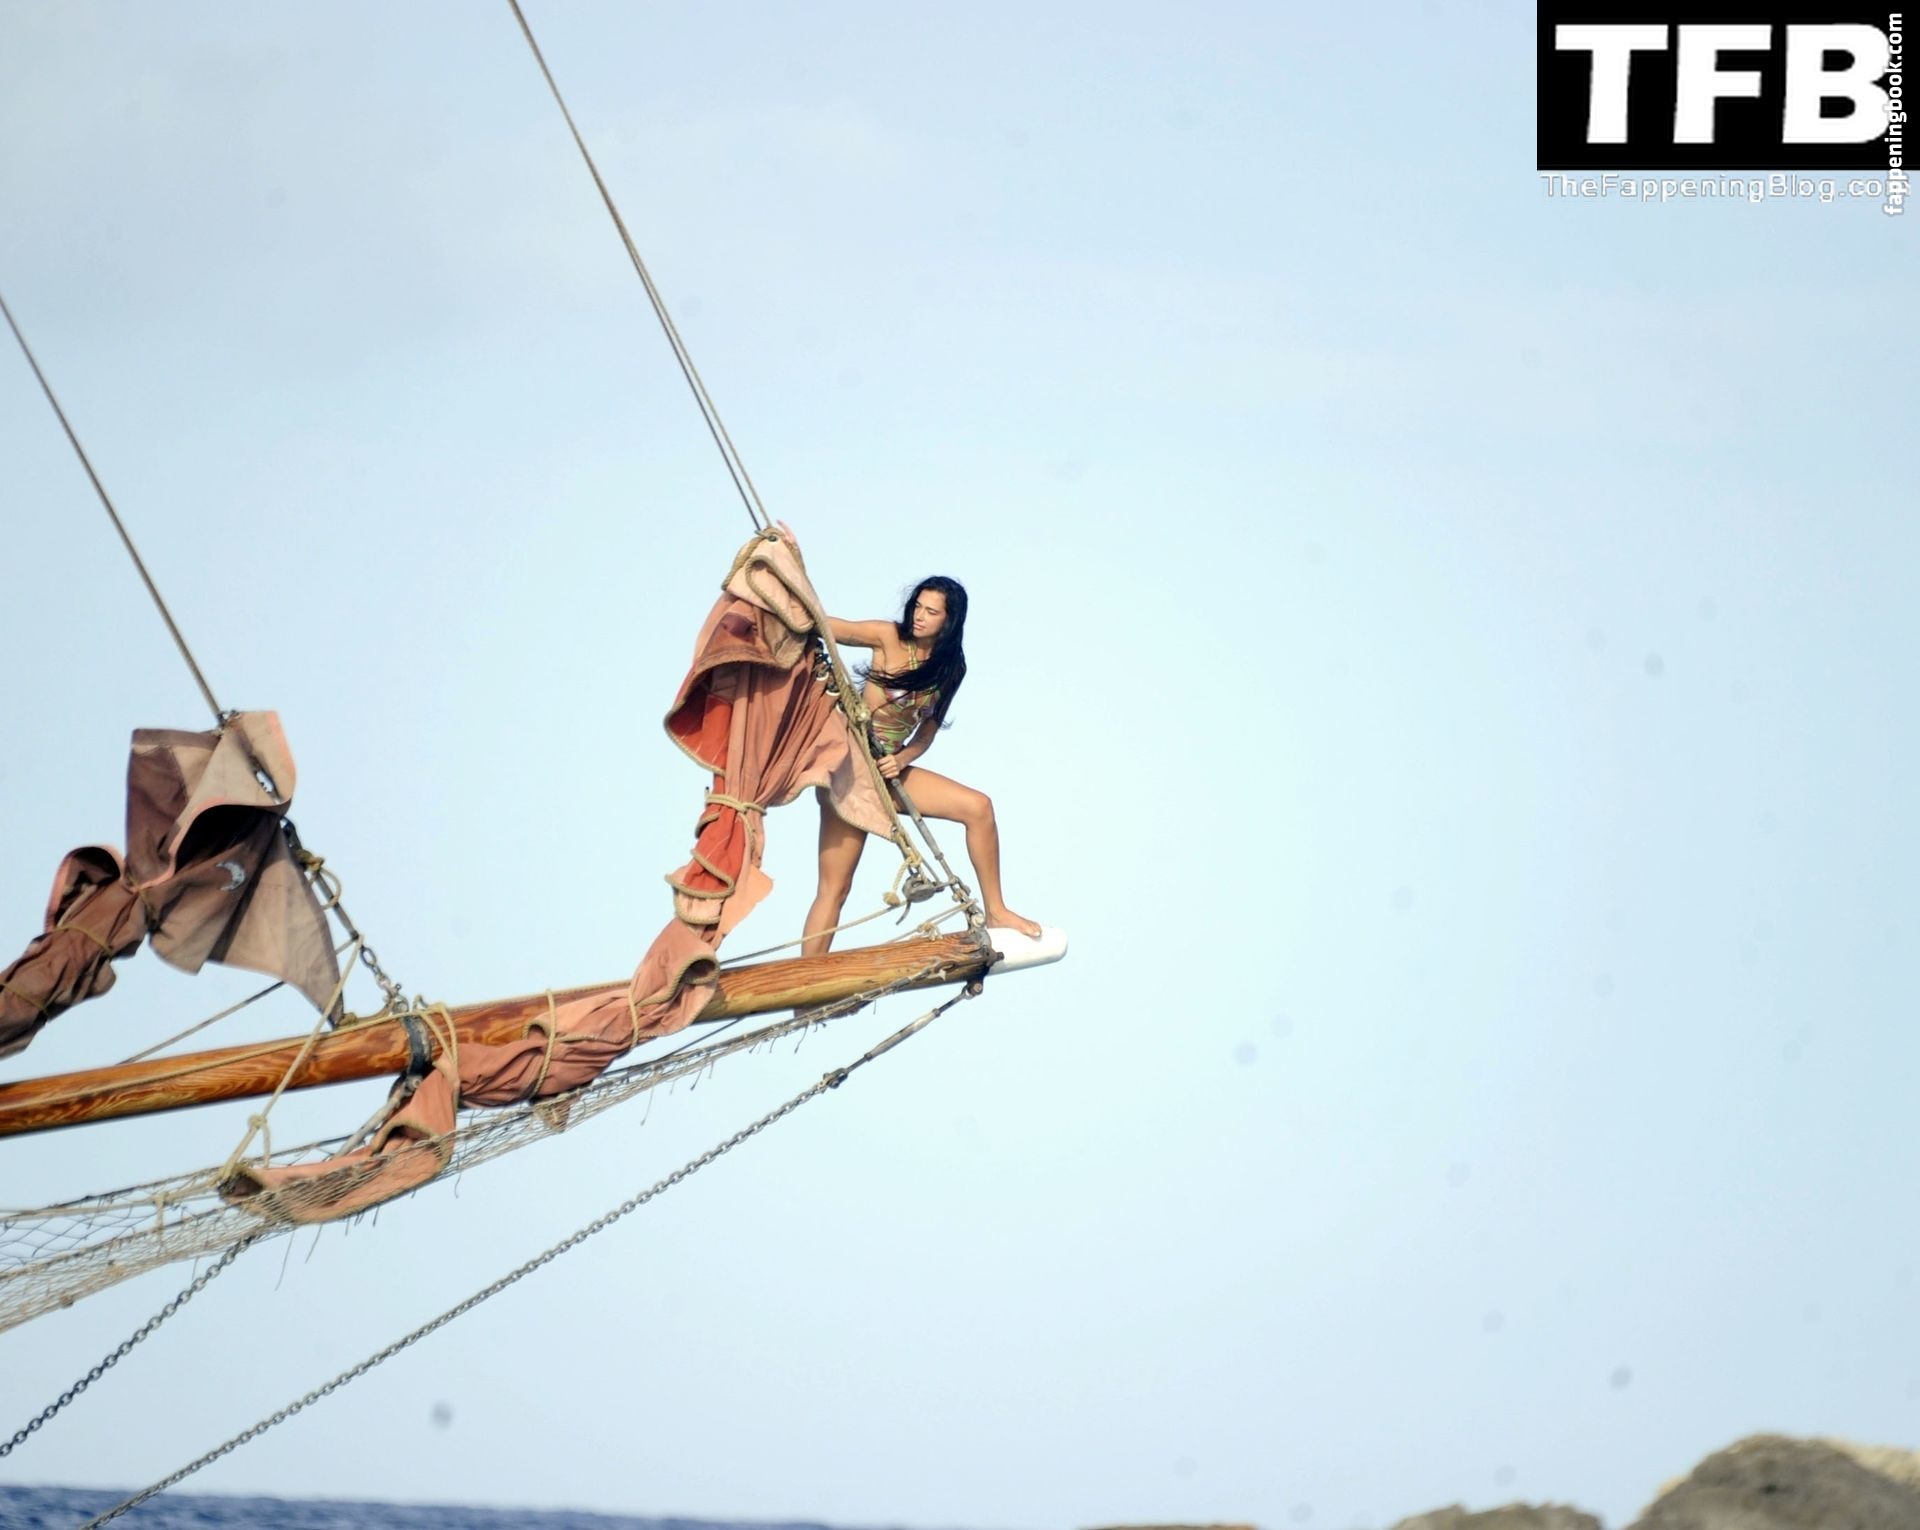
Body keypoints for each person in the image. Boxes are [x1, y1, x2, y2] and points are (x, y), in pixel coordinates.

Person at [803, 575, 1042, 955]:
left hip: (889, 772)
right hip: (848, 772)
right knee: (835, 888)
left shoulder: (951, 667)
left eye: (931, 612)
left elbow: (927, 732)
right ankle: (808, 977)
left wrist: (902, 759)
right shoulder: (887, 637)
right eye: (918, 606)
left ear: (949, 621)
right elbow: (826, 626)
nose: (919, 616)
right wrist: (786, 596)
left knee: (979, 807)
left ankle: (996, 911)